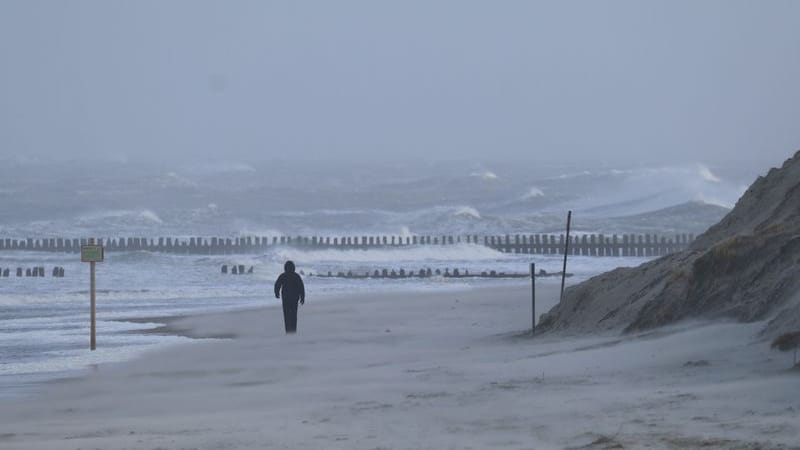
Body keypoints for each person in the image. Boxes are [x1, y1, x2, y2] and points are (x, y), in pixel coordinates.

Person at [274, 260, 305, 333]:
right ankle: (293, 330)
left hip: (286, 299)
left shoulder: (283, 275)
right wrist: (302, 297)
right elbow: (301, 287)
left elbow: (277, 285)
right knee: (293, 315)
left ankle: (288, 330)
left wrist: (276, 292)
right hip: (293, 299)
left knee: (287, 315)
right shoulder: (296, 276)